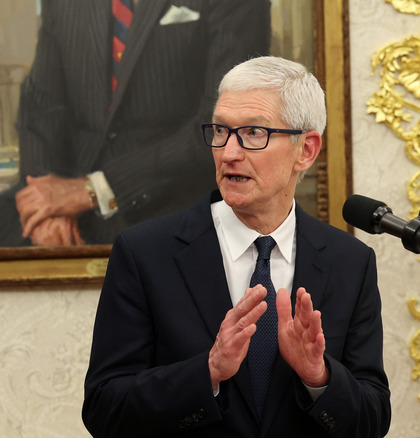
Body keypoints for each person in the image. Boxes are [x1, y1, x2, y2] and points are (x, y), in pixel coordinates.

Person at [82, 56, 391, 437]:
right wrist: (208, 371)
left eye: (253, 133)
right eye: (220, 131)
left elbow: (372, 421)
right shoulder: (144, 253)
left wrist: (319, 376)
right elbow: (103, 408)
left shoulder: (351, 262)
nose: (228, 153)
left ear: (306, 150)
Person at [0, 0, 271, 249]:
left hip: (164, 201)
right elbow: (41, 106)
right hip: (65, 194)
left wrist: (94, 190)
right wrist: (44, 206)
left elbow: (222, 130)